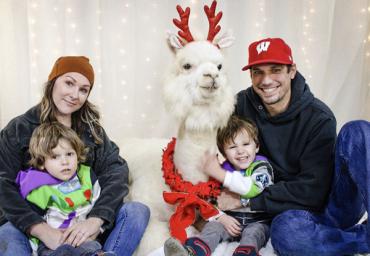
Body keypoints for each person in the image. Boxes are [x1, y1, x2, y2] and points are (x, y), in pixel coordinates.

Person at [203, 37, 370, 256]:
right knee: (286, 234)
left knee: (358, 131)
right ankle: (360, 240)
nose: (266, 80)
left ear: (292, 71)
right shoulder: (239, 106)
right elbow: (209, 137)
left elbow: (314, 191)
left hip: (331, 203)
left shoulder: (319, 118)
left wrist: (247, 200)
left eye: (275, 70)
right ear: (251, 75)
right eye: (258, 72)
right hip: (290, 214)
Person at [0, 56, 150, 256]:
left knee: (136, 211)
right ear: (53, 82)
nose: (74, 95)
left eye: (83, 89)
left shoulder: (91, 130)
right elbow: (3, 183)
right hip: (36, 227)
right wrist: (41, 229)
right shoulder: (19, 129)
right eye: (69, 83)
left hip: (83, 224)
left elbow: (115, 169)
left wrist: (95, 220)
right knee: (7, 231)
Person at [164, 116, 274, 256]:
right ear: (224, 153)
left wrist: (219, 173)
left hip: (258, 221)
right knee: (212, 228)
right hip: (230, 220)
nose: (240, 151)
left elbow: (250, 188)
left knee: (253, 234)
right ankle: (192, 252)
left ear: (256, 146)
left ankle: (246, 253)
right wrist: (221, 217)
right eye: (233, 147)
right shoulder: (224, 169)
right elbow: (211, 202)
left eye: (246, 144)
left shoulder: (262, 168)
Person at [17, 122, 115, 256]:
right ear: (41, 162)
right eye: (55, 156)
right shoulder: (38, 187)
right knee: (63, 251)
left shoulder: (86, 175)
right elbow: (32, 222)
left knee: (92, 247)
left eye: (69, 154)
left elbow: (98, 204)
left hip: (84, 240)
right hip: (52, 244)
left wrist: (96, 229)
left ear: (77, 154)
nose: (65, 161)